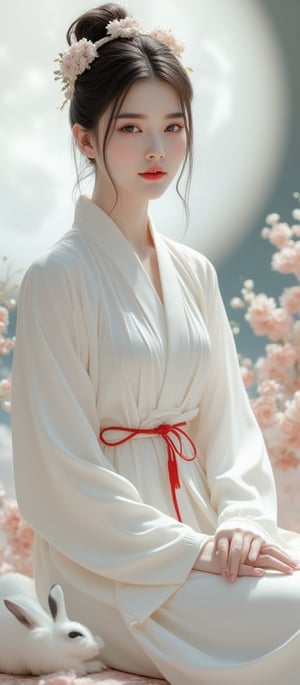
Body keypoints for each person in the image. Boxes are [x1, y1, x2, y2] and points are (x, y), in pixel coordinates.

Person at [11, 4, 300, 684]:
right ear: (86, 140)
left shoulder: (193, 272)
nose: (156, 151)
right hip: (111, 566)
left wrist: (241, 523)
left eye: (173, 128)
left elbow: (228, 428)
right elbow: (58, 480)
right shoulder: (58, 278)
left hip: (208, 537)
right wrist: (191, 549)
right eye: (131, 128)